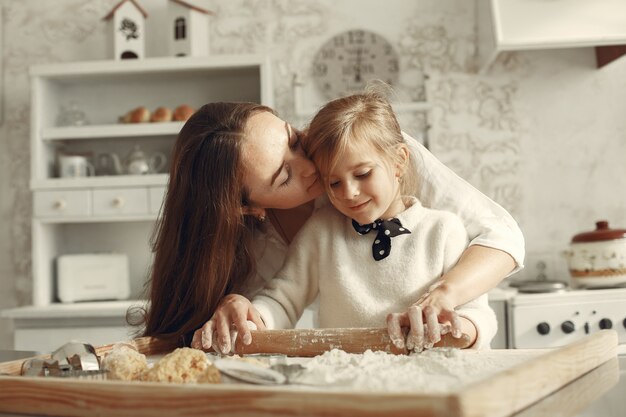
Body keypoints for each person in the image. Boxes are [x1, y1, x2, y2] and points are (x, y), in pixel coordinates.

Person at [139, 98, 524, 352]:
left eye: (292, 139)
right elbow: (276, 304)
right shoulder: (311, 235)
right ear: (247, 208)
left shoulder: (359, 149)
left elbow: (501, 236)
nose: (314, 167)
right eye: (283, 177)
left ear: (397, 161)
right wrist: (238, 306)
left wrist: (446, 299)